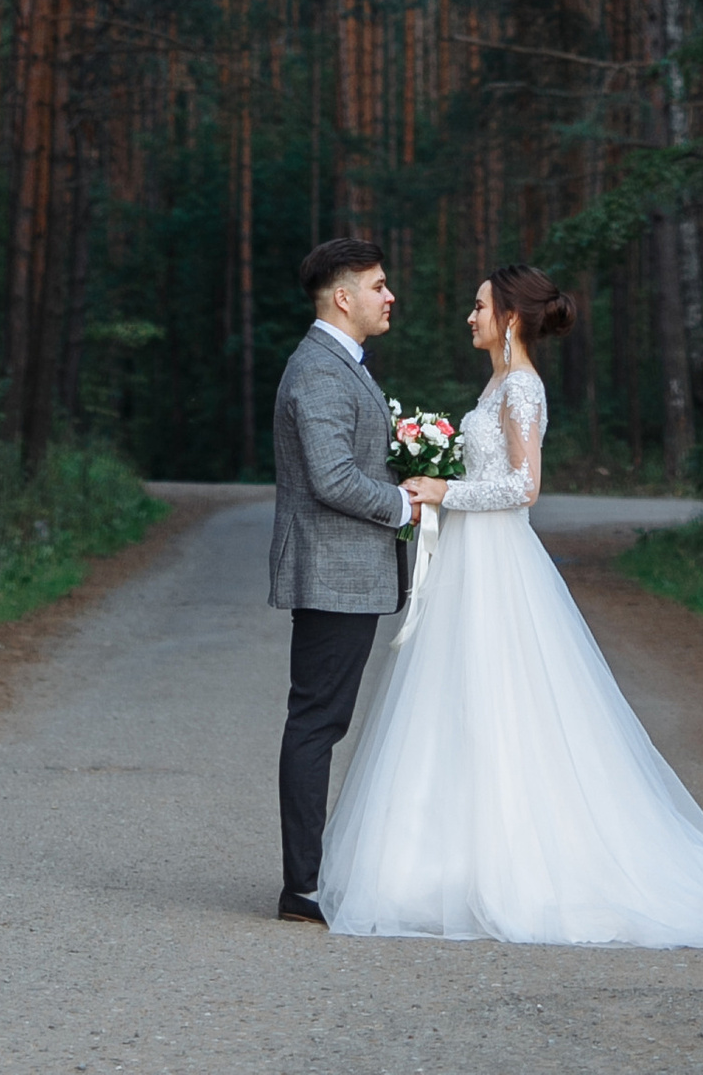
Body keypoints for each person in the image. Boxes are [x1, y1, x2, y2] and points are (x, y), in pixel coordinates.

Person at [317, 262, 703, 948]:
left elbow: (525, 487)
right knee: (459, 703)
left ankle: (515, 867)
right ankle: (445, 864)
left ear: (511, 318)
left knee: (505, 705)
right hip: (473, 562)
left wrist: (445, 493)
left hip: (500, 565)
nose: (469, 317)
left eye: (479, 307)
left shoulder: (522, 387)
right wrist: (441, 472)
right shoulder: (496, 381)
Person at [265, 235, 424, 923]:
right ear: (343, 296)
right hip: (332, 572)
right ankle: (302, 886)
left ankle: (308, 876)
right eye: (379, 285)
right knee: (316, 723)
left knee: (320, 721)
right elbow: (331, 477)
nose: (390, 296)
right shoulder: (321, 372)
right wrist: (401, 504)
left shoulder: (341, 365)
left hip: (346, 572)